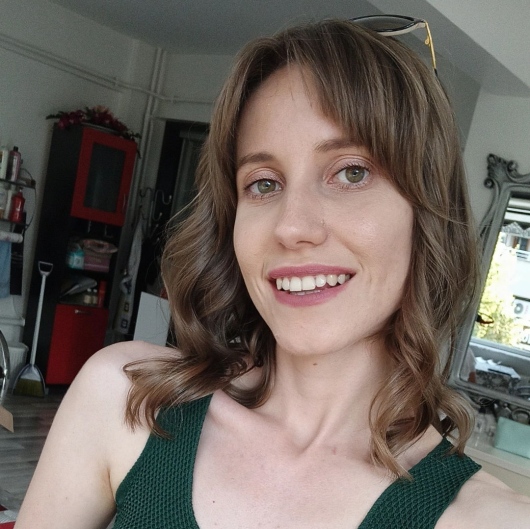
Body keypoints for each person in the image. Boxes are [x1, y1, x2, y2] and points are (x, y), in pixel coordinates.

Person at [15, 18, 530, 529]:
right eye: (264, 183)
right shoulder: (127, 400)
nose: (291, 227)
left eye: (351, 172)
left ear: (427, 214)